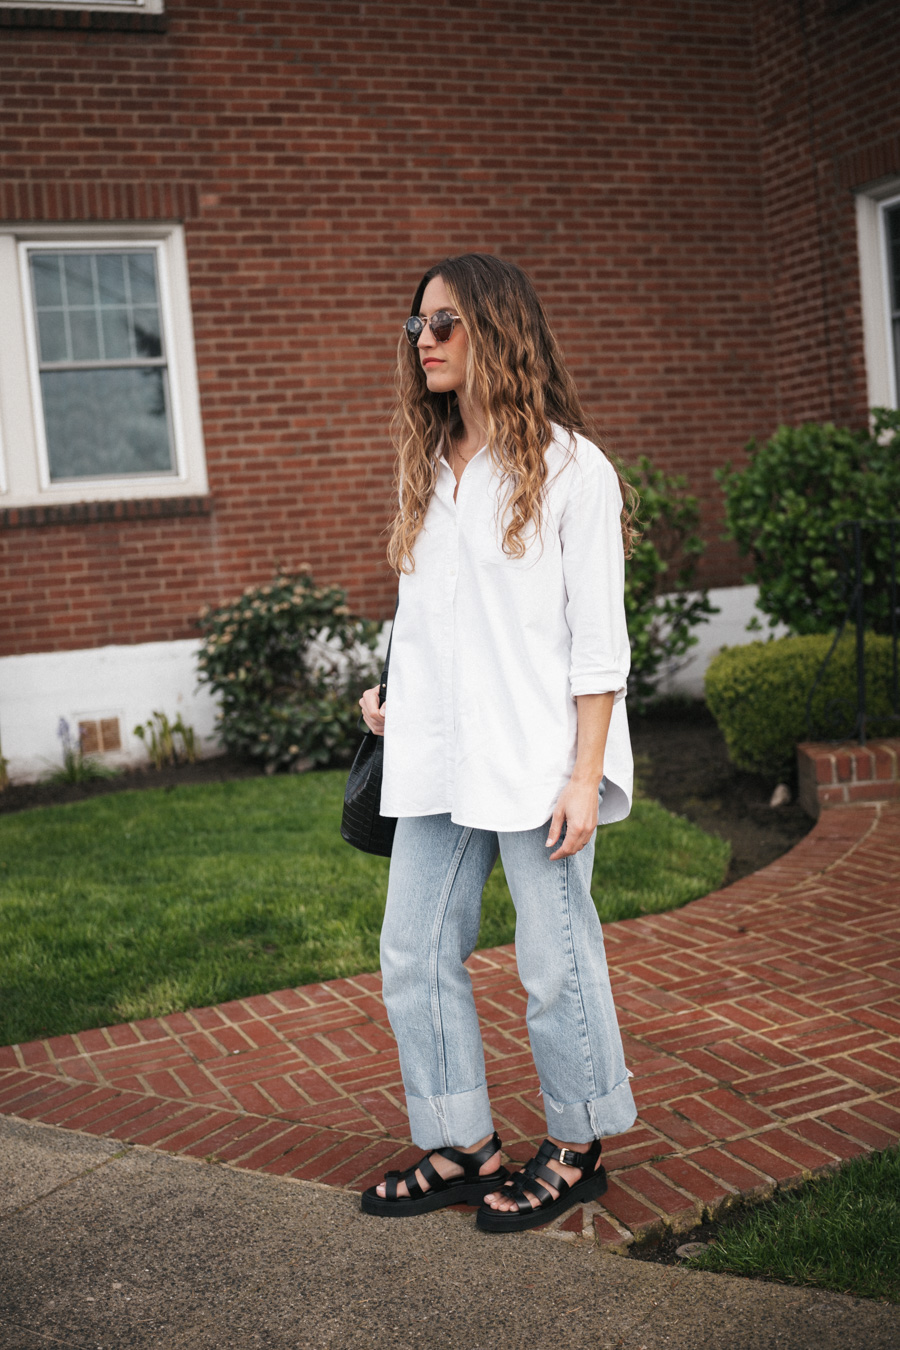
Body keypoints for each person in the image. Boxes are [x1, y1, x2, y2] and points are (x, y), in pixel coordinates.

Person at [357, 253, 638, 1233]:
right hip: (437, 755)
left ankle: (577, 1143)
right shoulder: (430, 469)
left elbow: (599, 646)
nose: (424, 341)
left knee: (552, 961)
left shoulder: (571, 469)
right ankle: (462, 1142)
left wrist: (584, 775)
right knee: (413, 948)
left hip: (536, 763)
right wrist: (395, 691)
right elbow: (438, 615)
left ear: (499, 331)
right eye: (416, 328)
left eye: (445, 324)